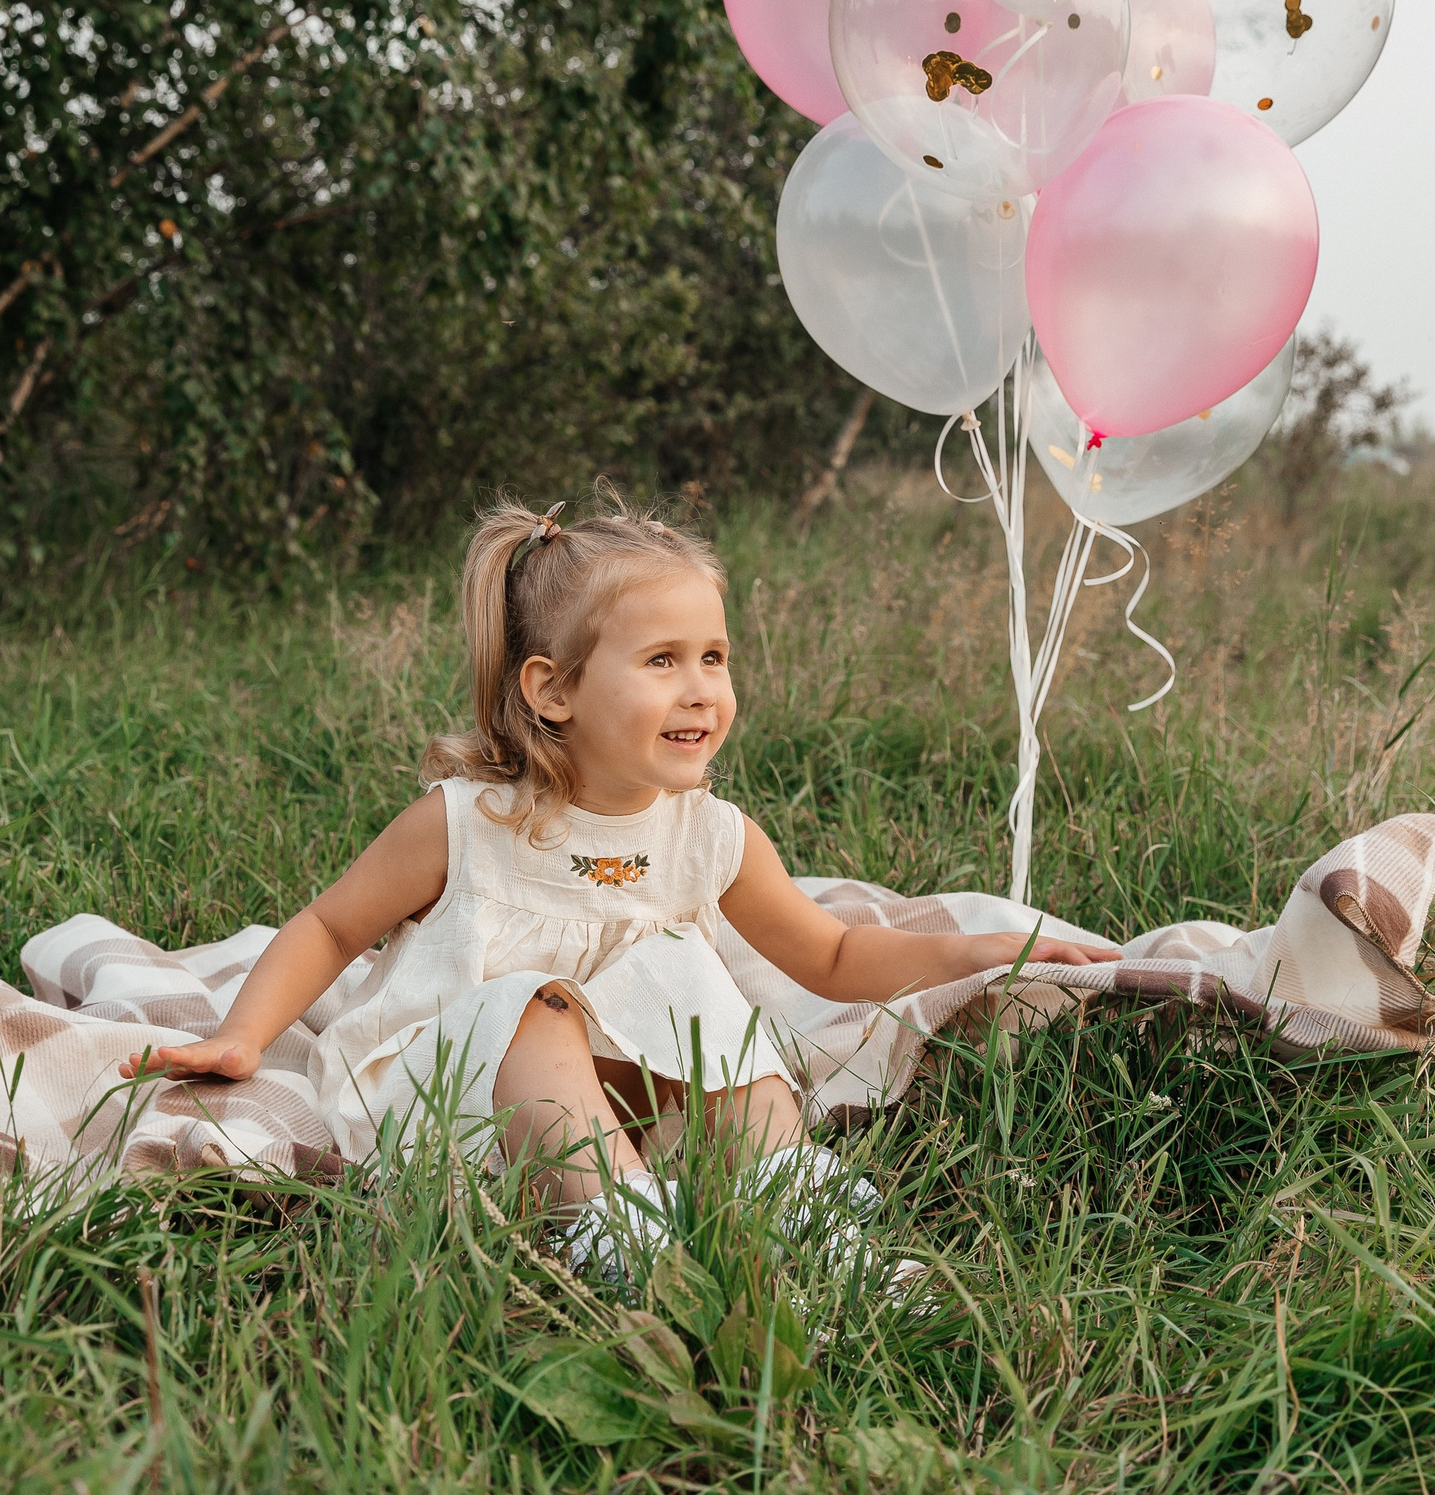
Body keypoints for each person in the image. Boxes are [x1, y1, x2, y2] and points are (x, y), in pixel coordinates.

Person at [120, 493, 1115, 1279]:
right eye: (662, 660)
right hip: (455, 1110)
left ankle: (799, 1216)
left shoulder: (710, 834)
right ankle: (622, 1239)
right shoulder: (467, 825)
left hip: (630, 1115)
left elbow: (837, 953)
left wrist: (980, 949)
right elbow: (333, 927)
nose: (701, 688)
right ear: (553, 689)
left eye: (714, 657)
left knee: (682, 969)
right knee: (539, 1005)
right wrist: (244, 1035)